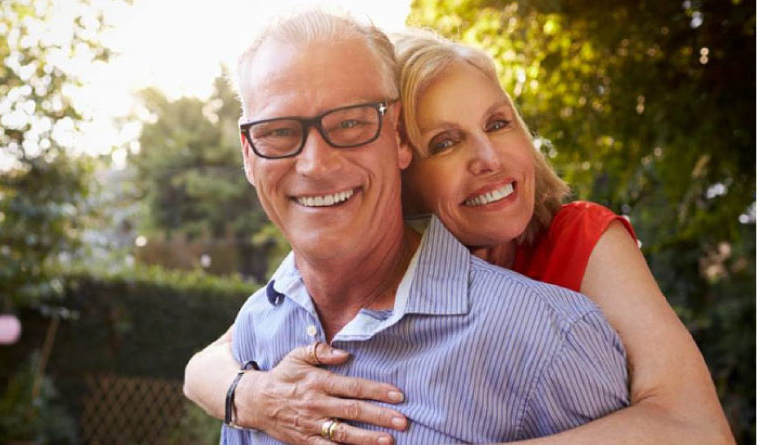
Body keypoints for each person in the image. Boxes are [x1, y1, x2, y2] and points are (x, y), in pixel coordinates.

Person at [185, 13, 733, 445]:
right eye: (445, 143)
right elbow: (209, 361)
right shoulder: (302, 296)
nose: (490, 158)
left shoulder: (576, 255)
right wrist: (248, 395)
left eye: (498, 123)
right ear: (405, 163)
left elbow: (695, 430)